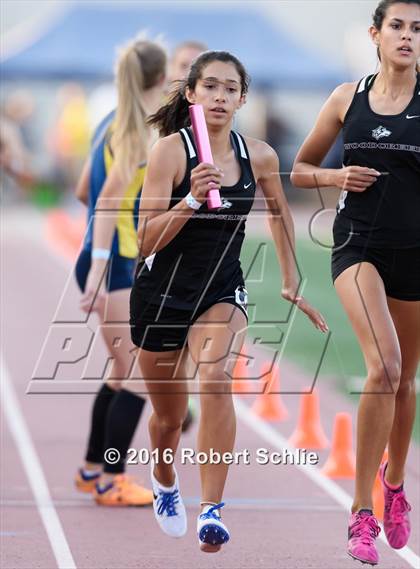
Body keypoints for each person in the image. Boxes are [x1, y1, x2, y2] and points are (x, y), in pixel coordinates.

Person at [130, 50, 328, 552]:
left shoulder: (258, 154)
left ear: (243, 98)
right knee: (169, 419)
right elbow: (145, 240)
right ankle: (164, 474)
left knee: (216, 380)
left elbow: (281, 215)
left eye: (230, 88)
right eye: (210, 87)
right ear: (192, 94)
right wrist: (192, 199)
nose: (220, 96)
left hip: (220, 290)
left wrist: (290, 280)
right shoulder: (171, 153)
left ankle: (212, 508)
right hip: (162, 296)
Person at [291, 1, 419, 565]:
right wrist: (337, 175)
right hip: (357, 247)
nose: (408, 37)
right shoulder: (347, 98)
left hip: (415, 253)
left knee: (405, 380)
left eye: (418, 29)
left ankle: (394, 484)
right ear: (375, 34)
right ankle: (361, 510)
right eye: (398, 26)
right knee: (384, 366)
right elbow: (298, 169)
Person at [73, 38, 167, 506]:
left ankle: (93, 469)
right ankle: (112, 476)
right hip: (117, 267)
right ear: (161, 76)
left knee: (120, 368)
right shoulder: (136, 132)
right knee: (135, 374)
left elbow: (80, 189)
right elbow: (106, 198)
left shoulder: (111, 124)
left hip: (109, 260)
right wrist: (99, 270)